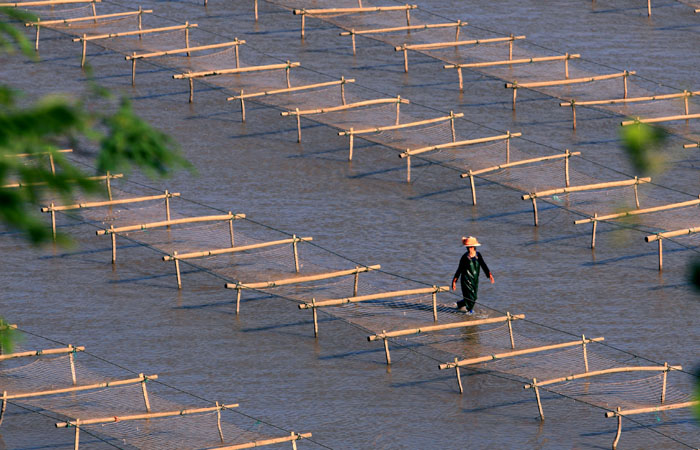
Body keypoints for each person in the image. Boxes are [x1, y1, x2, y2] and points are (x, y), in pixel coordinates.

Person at [451, 236, 494, 314]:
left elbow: (483, 265)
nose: (469, 248)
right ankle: (469, 311)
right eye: (468, 247)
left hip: (474, 279)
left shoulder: (478, 255)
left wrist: (489, 274)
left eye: (471, 247)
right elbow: (459, 269)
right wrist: (454, 281)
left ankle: (460, 304)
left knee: (474, 297)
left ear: (474, 247)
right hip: (466, 279)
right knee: (470, 297)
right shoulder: (464, 257)